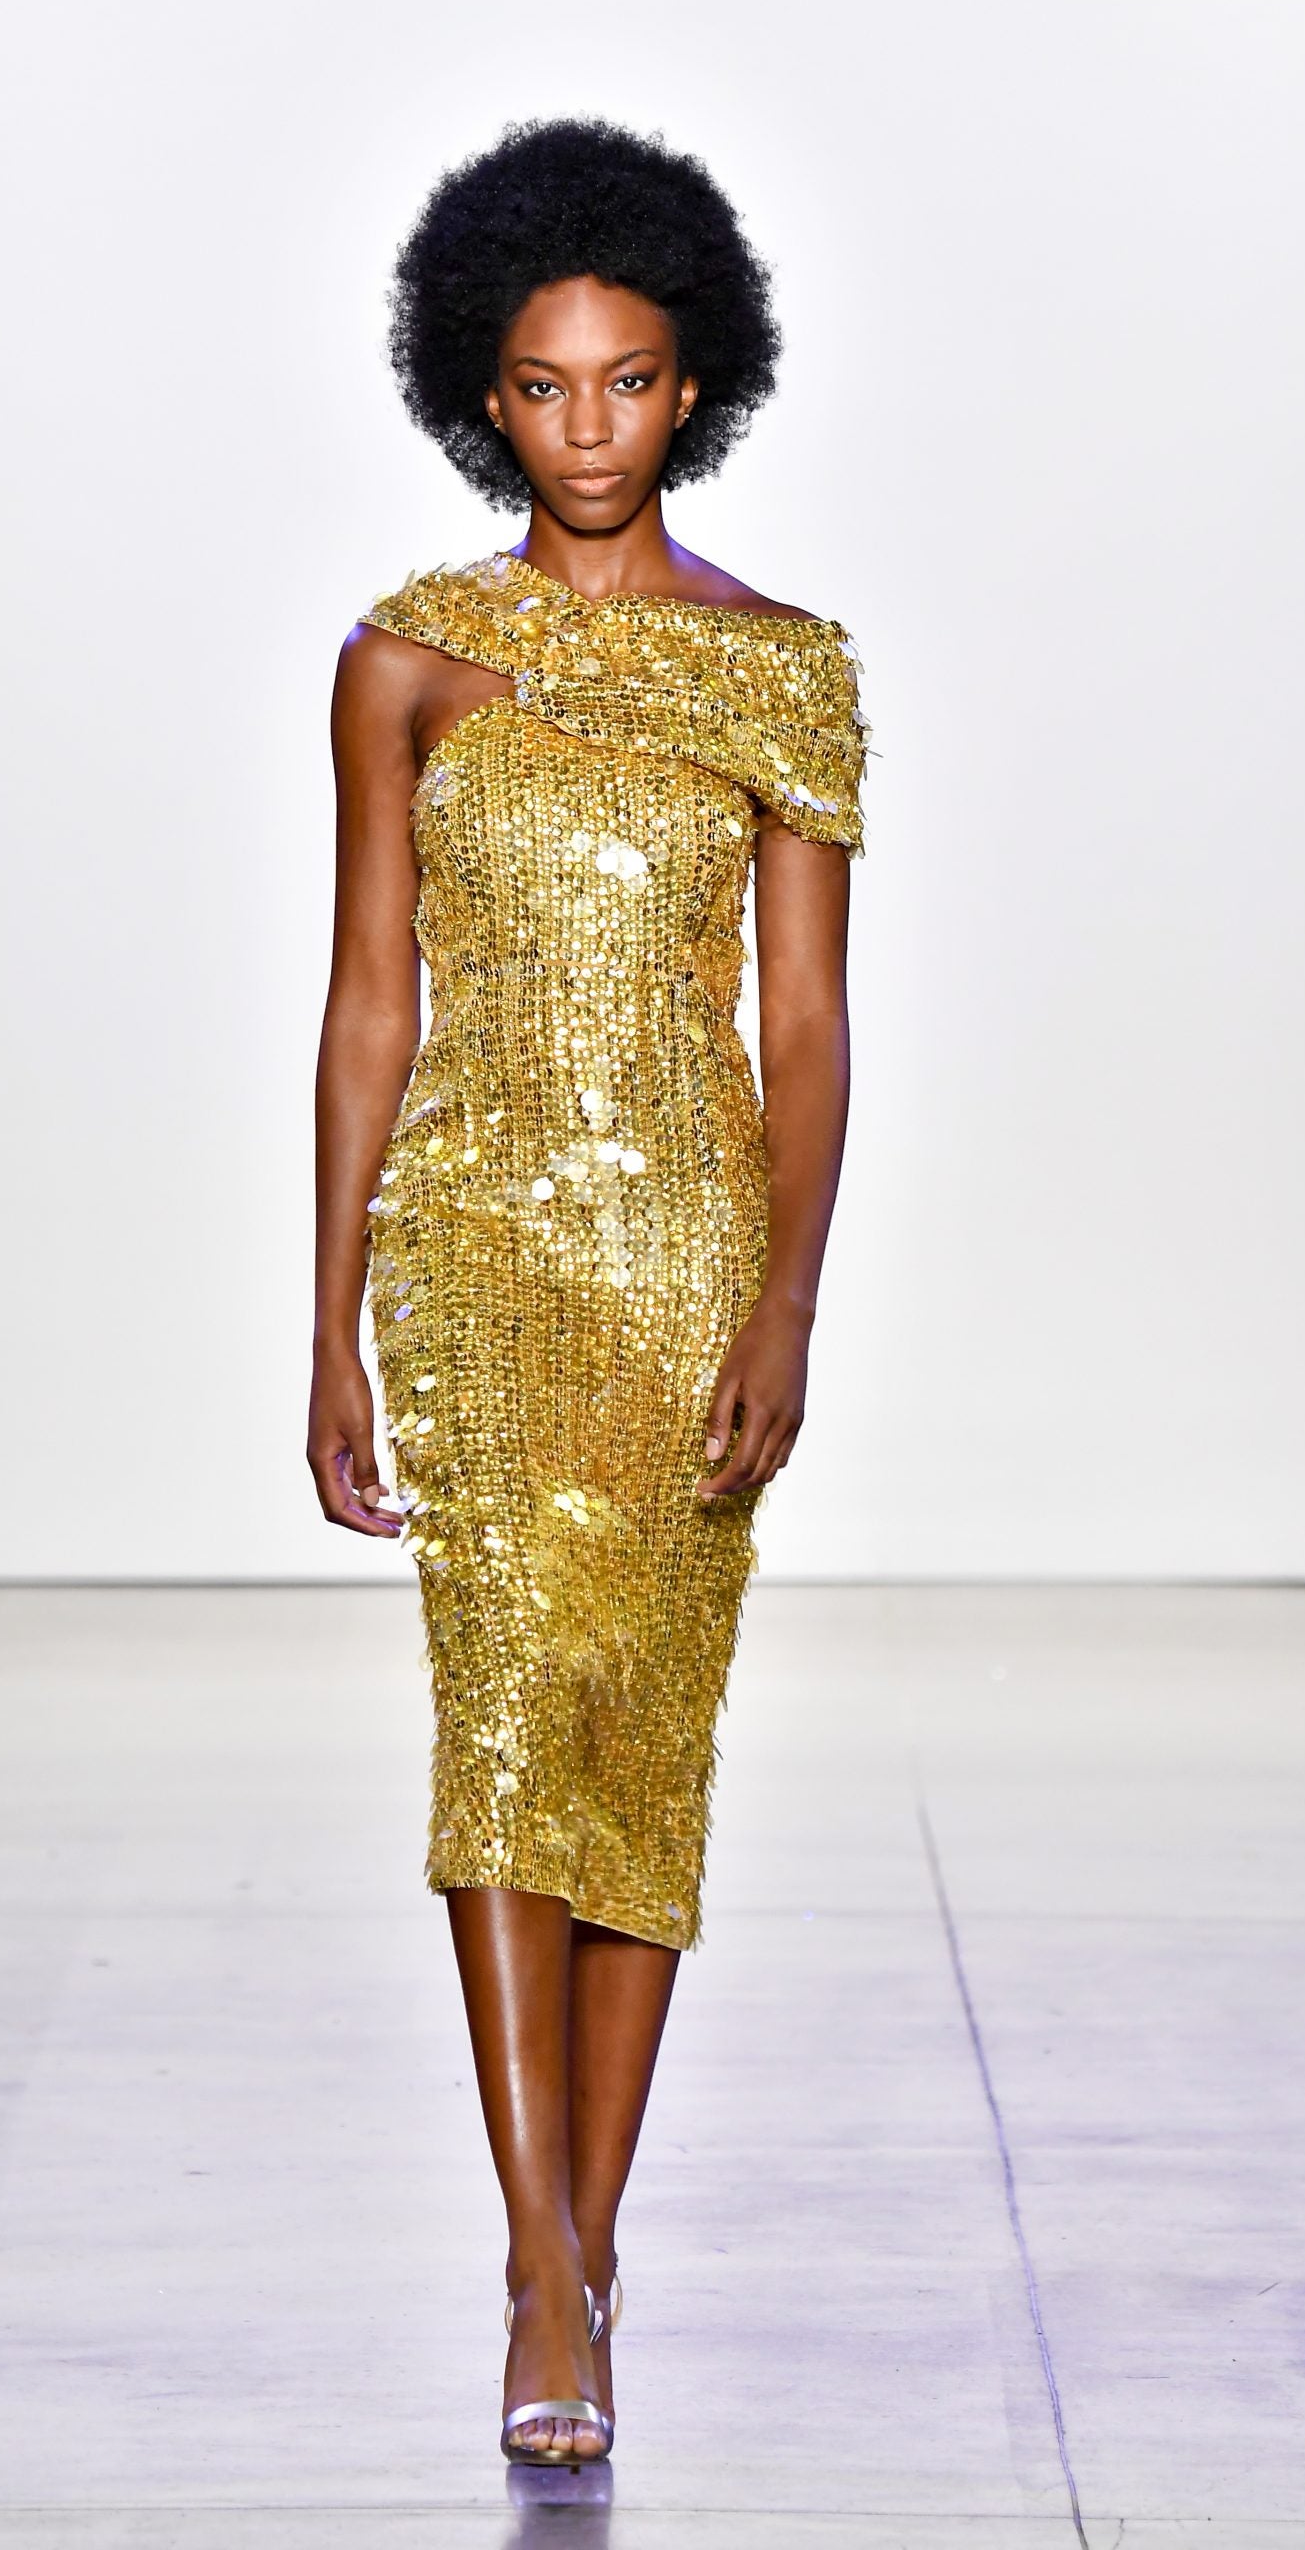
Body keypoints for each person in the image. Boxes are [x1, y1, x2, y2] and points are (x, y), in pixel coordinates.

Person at [308, 118, 867, 2467]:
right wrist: (325, 1320)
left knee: (640, 1743)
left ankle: (589, 2237)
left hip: (688, 1267)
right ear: (482, 390)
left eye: (629, 381)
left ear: (694, 382)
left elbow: (806, 1026)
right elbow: (369, 998)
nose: (588, 427)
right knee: (506, 1730)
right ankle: (540, 2261)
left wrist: (787, 1305)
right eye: (543, 387)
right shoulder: (408, 664)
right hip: (473, 1255)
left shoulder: (784, 675)